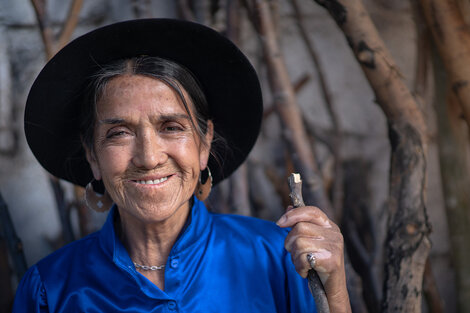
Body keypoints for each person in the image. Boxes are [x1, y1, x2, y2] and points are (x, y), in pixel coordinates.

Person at [13, 19, 351, 312]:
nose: (149, 157)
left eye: (171, 128)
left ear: (204, 144)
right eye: (119, 133)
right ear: (92, 156)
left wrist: (334, 291)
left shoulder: (279, 258)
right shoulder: (51, 289)